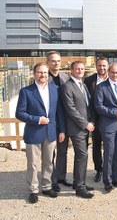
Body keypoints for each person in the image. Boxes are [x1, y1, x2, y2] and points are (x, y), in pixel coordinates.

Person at [15, 62, 65, 204]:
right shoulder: (26, 91)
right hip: (34, 132)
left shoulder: (55, 89)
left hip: (51, 132)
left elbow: (59, 112)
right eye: (40, 72)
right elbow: (19, 113)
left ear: (48, 74)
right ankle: (33, 190)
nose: (43, 75)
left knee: (49, 162)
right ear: (34, 74)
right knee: (33, 164)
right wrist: (37, 119)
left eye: (45, 72)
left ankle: (47, 186)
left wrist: (61, 130)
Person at [84, 57, 117, 182]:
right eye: (100, 65)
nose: (102, 68)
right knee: (99, 146)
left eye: (104, 66)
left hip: (115, 121)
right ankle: (100, 171)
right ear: (96, 66)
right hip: (96, 118)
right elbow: (90, 102)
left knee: (116, 149)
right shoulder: (90, 81)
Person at [61, 61, 95, 199]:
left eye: (82, 69)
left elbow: (88, 105)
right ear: (71, 71)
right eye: (77, 69)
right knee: (82, 155)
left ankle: (78, 182)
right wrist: (85, 124)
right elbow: (71, 109)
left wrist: (92, 120)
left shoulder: (83, 85)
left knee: (80, 156)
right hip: (76, 128)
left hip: (86, 126)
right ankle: (80, 188)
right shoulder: (67, 86)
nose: (80, 71)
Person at [94, 63, 117, 192]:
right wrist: (116, 113)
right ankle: (107, 181)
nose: (115, 75)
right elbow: (98, 107)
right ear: (108, 72)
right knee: (109, 153)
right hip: (107, 125)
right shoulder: (101, 87)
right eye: (113, 72)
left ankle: (116, 178)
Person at [46, 51, 72, 192]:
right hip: (50, 121)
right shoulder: (44, 78)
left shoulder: (65, 77)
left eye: (58, 60)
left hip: (64, 121)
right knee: (50, 153)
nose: (56, 63)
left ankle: (61, 177)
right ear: (48, 63)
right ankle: (52, 180)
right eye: (53, 61)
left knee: (63, 151)